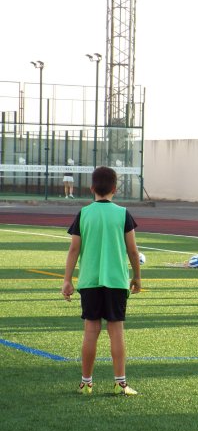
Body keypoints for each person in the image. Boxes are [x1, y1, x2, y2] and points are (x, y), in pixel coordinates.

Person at [61, 166, 141, 395]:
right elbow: (133, 251)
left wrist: (67, 280)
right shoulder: (123, 213)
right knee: (116, 331)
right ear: (115, 189)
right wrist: (136, 277)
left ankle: (86, 382)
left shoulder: (84, 214)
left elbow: (74, 249)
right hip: (116, 281)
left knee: (90, 330)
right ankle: (120, 383)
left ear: (91, 188)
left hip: (89, 281)